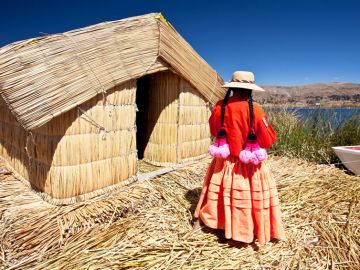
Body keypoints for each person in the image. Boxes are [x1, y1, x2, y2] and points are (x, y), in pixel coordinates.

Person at [193, 71, 286, 245]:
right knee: (243, 200)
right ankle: (243, 231)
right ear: (250, 90)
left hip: (224, 162)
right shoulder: (256, 111)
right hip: (248, 165)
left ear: (232, 88)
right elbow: (267, 140)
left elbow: (214, 131)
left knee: (220, 194)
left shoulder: (219, 107)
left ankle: (217, 223)